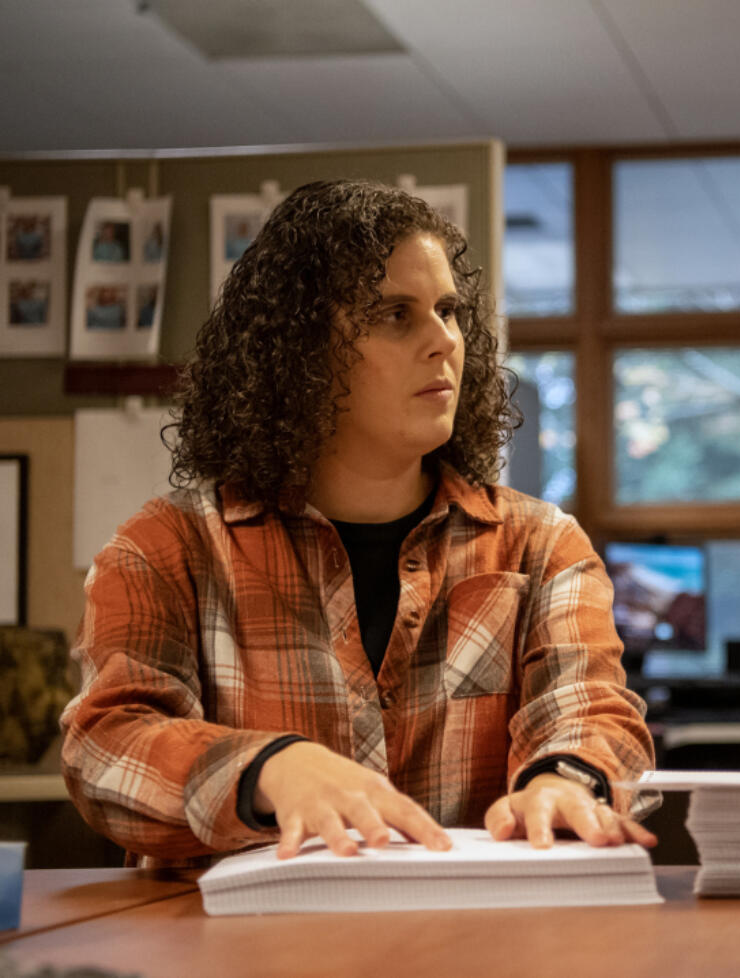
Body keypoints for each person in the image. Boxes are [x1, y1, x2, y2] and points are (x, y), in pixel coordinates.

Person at [60, 179, 656, 868]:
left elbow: (592, 711)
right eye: (395, 316)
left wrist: (565, 780)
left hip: (476, 950)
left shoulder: (540, 545)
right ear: (300, 355)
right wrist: (267, 771)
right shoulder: (170, 548)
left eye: (448, 311)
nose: (444, 342)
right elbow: (104, 747)